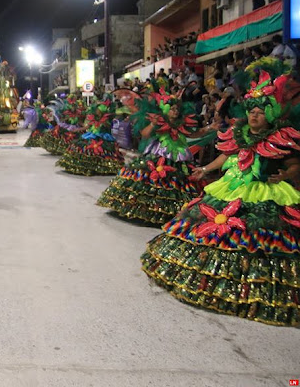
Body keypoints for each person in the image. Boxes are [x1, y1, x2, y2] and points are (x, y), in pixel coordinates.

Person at [141, 62, 300, 326]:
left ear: (270, 115)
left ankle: (252, 286)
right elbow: (226, 156)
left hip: (266, 191)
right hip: (231, 185)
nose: (255, 117)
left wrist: (285, 175)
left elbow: (294, 163)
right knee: (213, 226)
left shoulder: (281, 137)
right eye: (252, 112)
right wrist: (204, 169)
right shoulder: (240, 134)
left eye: (261, 112)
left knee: (257, 238)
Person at [97, 89, 219, 226]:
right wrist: (153, 124)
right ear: (165, 109)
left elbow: (193, 134)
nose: (175, 111)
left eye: (176, 108)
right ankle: (150, 210)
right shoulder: (159, 121)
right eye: (172, 109)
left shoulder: (181, 123)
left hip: (179, 156)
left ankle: (172, 212)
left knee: (178, 184)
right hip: (160, 154)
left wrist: (210, 128)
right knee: (155, 182)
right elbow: (145, 134)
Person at [57, 98, 124, 176]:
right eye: (97, 110)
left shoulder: (106, 120)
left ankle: (101, 166)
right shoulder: (93, 118)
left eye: (98, 111)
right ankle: (89, 166)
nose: (97, 111)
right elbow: (87, 127)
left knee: (100, 151)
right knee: (84, 147)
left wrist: (104, 123)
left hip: (103, 137)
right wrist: (77, 129)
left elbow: (109, 127)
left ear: (102, 112)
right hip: (92, 134)